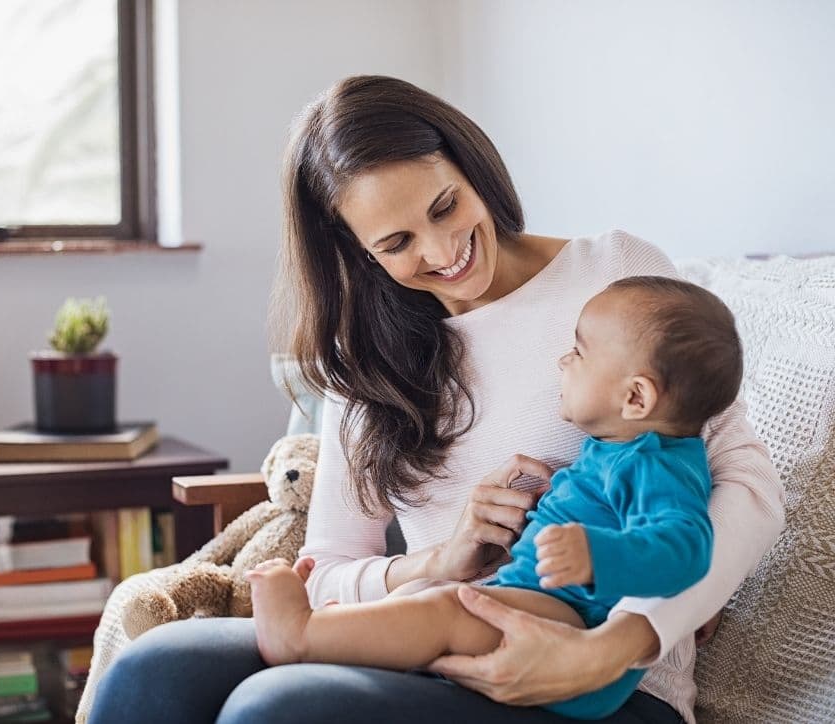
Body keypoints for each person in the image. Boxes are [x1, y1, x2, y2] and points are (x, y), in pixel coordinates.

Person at [88, 75, 784, 724]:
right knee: (155, 669)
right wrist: (437, 562)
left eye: (446, 205)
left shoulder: (614, 280)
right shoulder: (370, 359)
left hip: (605, 684)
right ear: (358, 253)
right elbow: (327, 572)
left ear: (467, 163)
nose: (445, 250)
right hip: (430, 642)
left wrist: (619, 644)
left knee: (276, 707)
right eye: (397, 242)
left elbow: (748, 487)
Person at [246, 275, 740, 720]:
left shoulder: (655, 464)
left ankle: (302, 636)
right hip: (547, 606)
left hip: (575, 633)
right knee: (425, 598)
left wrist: (596, 555)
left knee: (447, 610)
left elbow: (687, 548)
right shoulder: (622, 450)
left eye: (580, 353)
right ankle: (331, 634)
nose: (563, 360)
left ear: (636, 398)